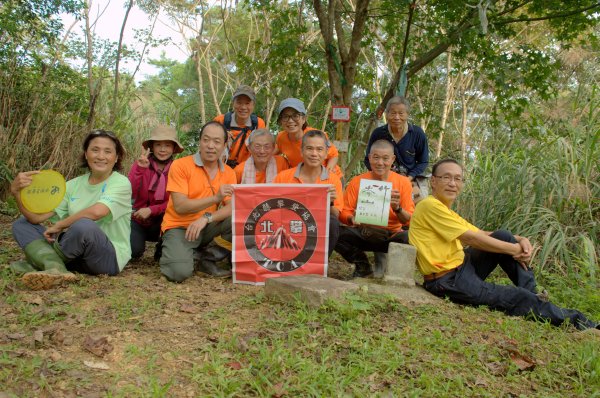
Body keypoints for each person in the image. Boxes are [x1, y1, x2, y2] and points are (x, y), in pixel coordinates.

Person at [409, 158, 599, 331]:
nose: (452, 183)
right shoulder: (429, 206)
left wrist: (519, 239)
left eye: (458, 179)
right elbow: (472, 239)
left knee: (503, 235)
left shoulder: (444, 209)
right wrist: (515, 250)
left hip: (462, 267)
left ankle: (534, 296)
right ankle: (582, 323)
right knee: (516, 297)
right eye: (446, 177)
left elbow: (481, 233)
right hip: (447, 281)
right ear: (433, 181)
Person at [10, 130, 132, 290]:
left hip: (107, 258)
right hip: (74, 256)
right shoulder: (71, 185)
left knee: (84, 225)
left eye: (108, 151)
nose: (101, 156)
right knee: (22, 224)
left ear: (116, 158)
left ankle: (43, 263)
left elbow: (98, 212)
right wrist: (17, 193)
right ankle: (57, 268)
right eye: (95, 150)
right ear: (86, 154)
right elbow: (35, 218)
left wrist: (61, 224)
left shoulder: (121, 182)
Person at [159, 121, 236, 282]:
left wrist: (206, 218)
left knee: (237, 220)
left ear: (224, 145)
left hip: (206, 225)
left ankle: (207, 261)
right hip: (180, 226)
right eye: (206, 140)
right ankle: (177, 250)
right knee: (177, 273)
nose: (210, 146)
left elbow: (232, 207)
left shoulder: (228, 172)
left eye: (216, 142)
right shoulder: (181, 165)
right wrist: (215, 199)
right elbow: (180, 206)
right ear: (199, 142)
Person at [337, 140, 414, 278]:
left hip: (391, 235)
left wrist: (397, 208)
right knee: (335, 231)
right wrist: (351, 218)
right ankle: (363, 266)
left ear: (392, 159)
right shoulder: (357, 181)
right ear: (370, 157)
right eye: (376, 157)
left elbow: (409, 220)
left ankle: (397, 274)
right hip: (363, 232)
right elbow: (344, 211)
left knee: (410, 236)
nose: (380, 163)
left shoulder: (403, 183)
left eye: (385, 158)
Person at [273, 129, 342, 257]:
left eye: (319, 149)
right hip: (288, 226)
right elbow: (273, 210)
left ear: (326, 153)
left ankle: (319, 264)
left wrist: (330, 202)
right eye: (309, 148)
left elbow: (336, 215)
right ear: (301, 150)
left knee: (332, 223)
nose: (314, 154)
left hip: (316, 227)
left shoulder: (333, 180)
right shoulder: (283, 177)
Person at [128, 125, 184, 260]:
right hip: (138, 218)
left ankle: (163, 245)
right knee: (133, 252)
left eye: (167, 145)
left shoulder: (178, 168)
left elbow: (176, 201)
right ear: (152, 147)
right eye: (158, 145)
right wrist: (140, 170)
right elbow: (129, 191)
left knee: (165, 255)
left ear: (173, 148)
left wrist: (152, 210)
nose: (163, 149)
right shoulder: (141, 164)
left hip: (164, 220)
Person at [364, 96, 429, 199]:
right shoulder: (378, 133)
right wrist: (382, 176)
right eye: (393, 113)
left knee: (421, 205)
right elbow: (368, 159)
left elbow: (423, 162)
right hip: (382, 179)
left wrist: (409, 178)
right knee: (372, 204)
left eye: (401, 113)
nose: (397, 117)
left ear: (407, 115)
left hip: (410, 179)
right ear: (387, 114)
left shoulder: (417, 134)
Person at [274, 98, 344, 181]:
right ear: (281, 120)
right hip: (303, 180)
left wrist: (328, 175)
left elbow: (334, 155)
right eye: (285, 116)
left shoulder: (316, 136)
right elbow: (271, 152)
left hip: (328, 179)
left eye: (295, 116)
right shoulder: (281, 138)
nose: (290, 120)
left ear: (303, 119)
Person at [213, 85, 266, 168]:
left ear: (253, 105)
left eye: (247, 103)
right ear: (233, 103)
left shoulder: (258, 124)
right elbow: (209, 146)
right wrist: (221, 137)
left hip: (246, 169)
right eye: (239, 102)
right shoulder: (220, 121)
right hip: (221, 166)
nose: (243, 107)